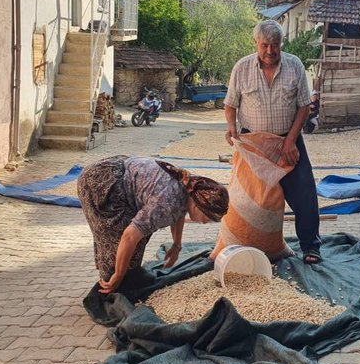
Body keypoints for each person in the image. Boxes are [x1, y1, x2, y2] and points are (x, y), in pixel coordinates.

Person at [223, 20, 323, 264]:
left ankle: (310, 246)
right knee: (247, 199)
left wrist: (290, 142)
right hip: (254, 144)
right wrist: (231, 129)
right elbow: (230, 103)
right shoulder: (242, 67)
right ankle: (245, 246)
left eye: (275, 45)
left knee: (304, 195)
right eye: (265, 45)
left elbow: (303, 106)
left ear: (281, 44)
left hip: (287, 141)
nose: (270, 51)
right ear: (256, 43)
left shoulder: (294, 66)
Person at [77, 156, 229, 294]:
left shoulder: (190, 187)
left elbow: (179, 213)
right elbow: (129, 236)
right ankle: (109, 287)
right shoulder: (166, 204)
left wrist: (177, 245)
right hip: (101, 182)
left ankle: (128, 277)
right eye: (207, 217)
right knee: (116, 237)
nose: (204, 222)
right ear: (197, 204)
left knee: (141, 235)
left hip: (119, 172)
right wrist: (119, 273)